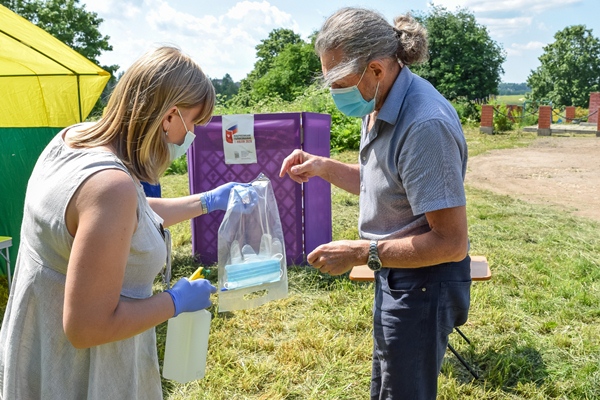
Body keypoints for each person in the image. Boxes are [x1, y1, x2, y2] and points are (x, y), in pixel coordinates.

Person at [0, 46, 241, 399]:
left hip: (37, 353)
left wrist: (205, 201)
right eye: (194, 124)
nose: (191, 138)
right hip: (81, 377)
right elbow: (87, 327)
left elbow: (120, 219)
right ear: (170, 116)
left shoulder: (73, 139)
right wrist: (173, 302)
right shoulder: (111, 187)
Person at [280, 8, 471, 400]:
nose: (335, 91)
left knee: (404, 390)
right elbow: (383, 183)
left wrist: (359, 252)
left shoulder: (423, 126)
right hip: (395, 270)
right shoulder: (380, 102)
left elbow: (451, 242)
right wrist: (323, 166)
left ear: (376, 70)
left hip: (424, 282)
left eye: (339, 79)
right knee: (387, 386)